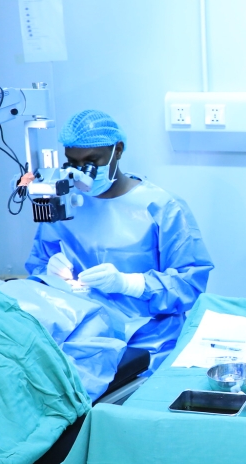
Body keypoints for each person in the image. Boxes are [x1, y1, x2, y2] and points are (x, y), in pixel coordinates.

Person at [26, 109, 213, 372]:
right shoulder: (65, 203)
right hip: (77, 339)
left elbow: (190, 284)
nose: (82, 173)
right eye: (73, 163)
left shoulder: (161, 207)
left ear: (119, 150)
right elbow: (37, 267)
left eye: (92, 161)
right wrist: (48, 273)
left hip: (145, 345)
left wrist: (131, 284)